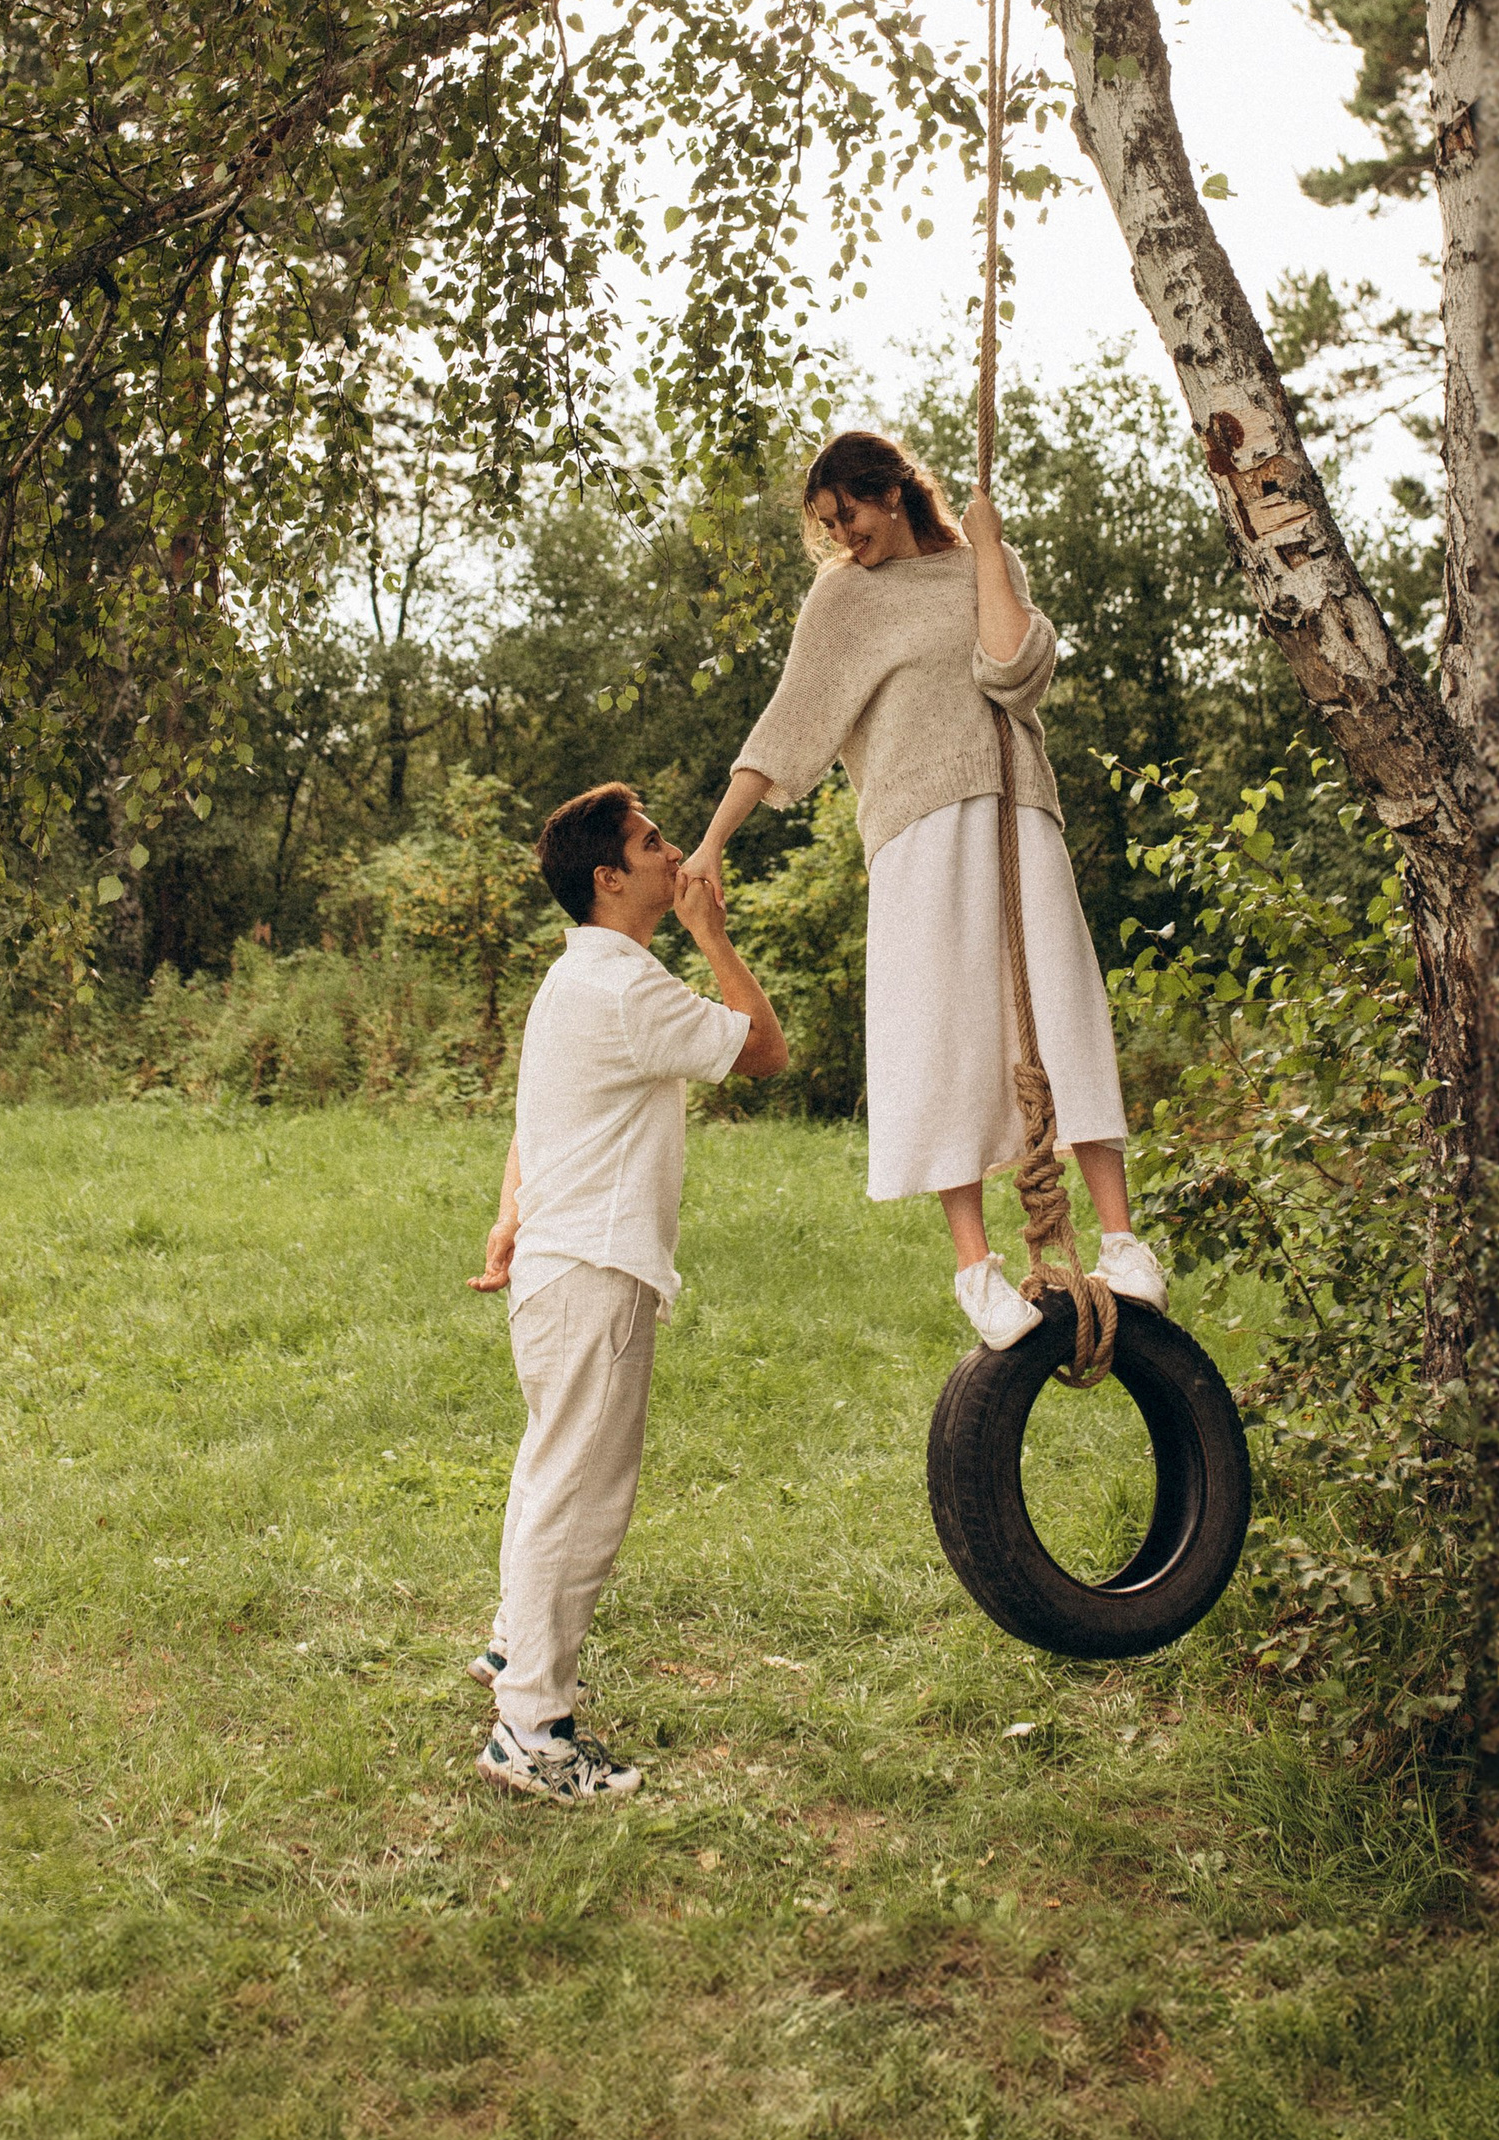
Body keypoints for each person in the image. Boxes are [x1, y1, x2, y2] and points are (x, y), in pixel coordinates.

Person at [679, 426, 1167, 1353]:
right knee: (942, 1034)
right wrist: (710, 841)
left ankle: (1124, 1242)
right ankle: (976, 1269)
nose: (842, 536)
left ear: (891, 492)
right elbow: (792, 724)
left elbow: (1015, 673)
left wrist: (987, 549)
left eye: (847, 514)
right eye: (826, 525)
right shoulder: (843, 600)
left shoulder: (989, 561)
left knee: (1060, 1009)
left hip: (1017, 813)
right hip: (914, 837)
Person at [468, 781, 787, 1802]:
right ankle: (531, 1729)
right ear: (610, 877)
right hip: (593, 1274)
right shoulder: (626, 987)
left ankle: (515, 1648)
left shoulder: (579, 980)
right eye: (653, 842)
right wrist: (712, 932)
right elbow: (766, 1050)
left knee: (548, 1471)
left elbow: (533, 1121)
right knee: (582, 1494)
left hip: (563, 1269)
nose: (675, 852)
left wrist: (509, 1214)